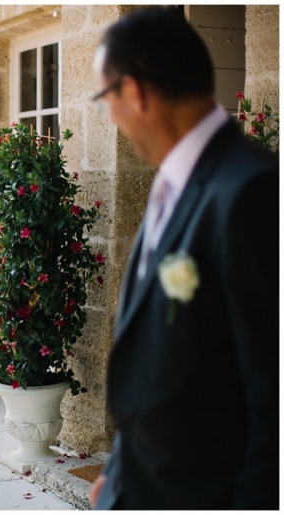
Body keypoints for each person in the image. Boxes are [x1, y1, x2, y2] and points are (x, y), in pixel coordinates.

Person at [88, 7, 278, 510]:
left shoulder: (253, 192)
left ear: (134, 92)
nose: (109, 116)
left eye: (106, 99)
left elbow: (271, 397)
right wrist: (121, 471)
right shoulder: (172, 184)